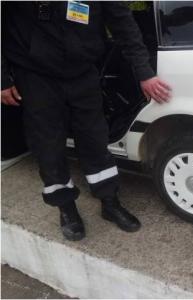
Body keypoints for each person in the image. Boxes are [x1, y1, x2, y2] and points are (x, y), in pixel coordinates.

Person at [1, 2, 171, 241]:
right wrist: (2, 78)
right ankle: (66, 207)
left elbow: (123, 24)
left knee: (95, 138)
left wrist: (144, 72)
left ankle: (109, 201)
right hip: (35, 75)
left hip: (82, 72)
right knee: (48, 145)